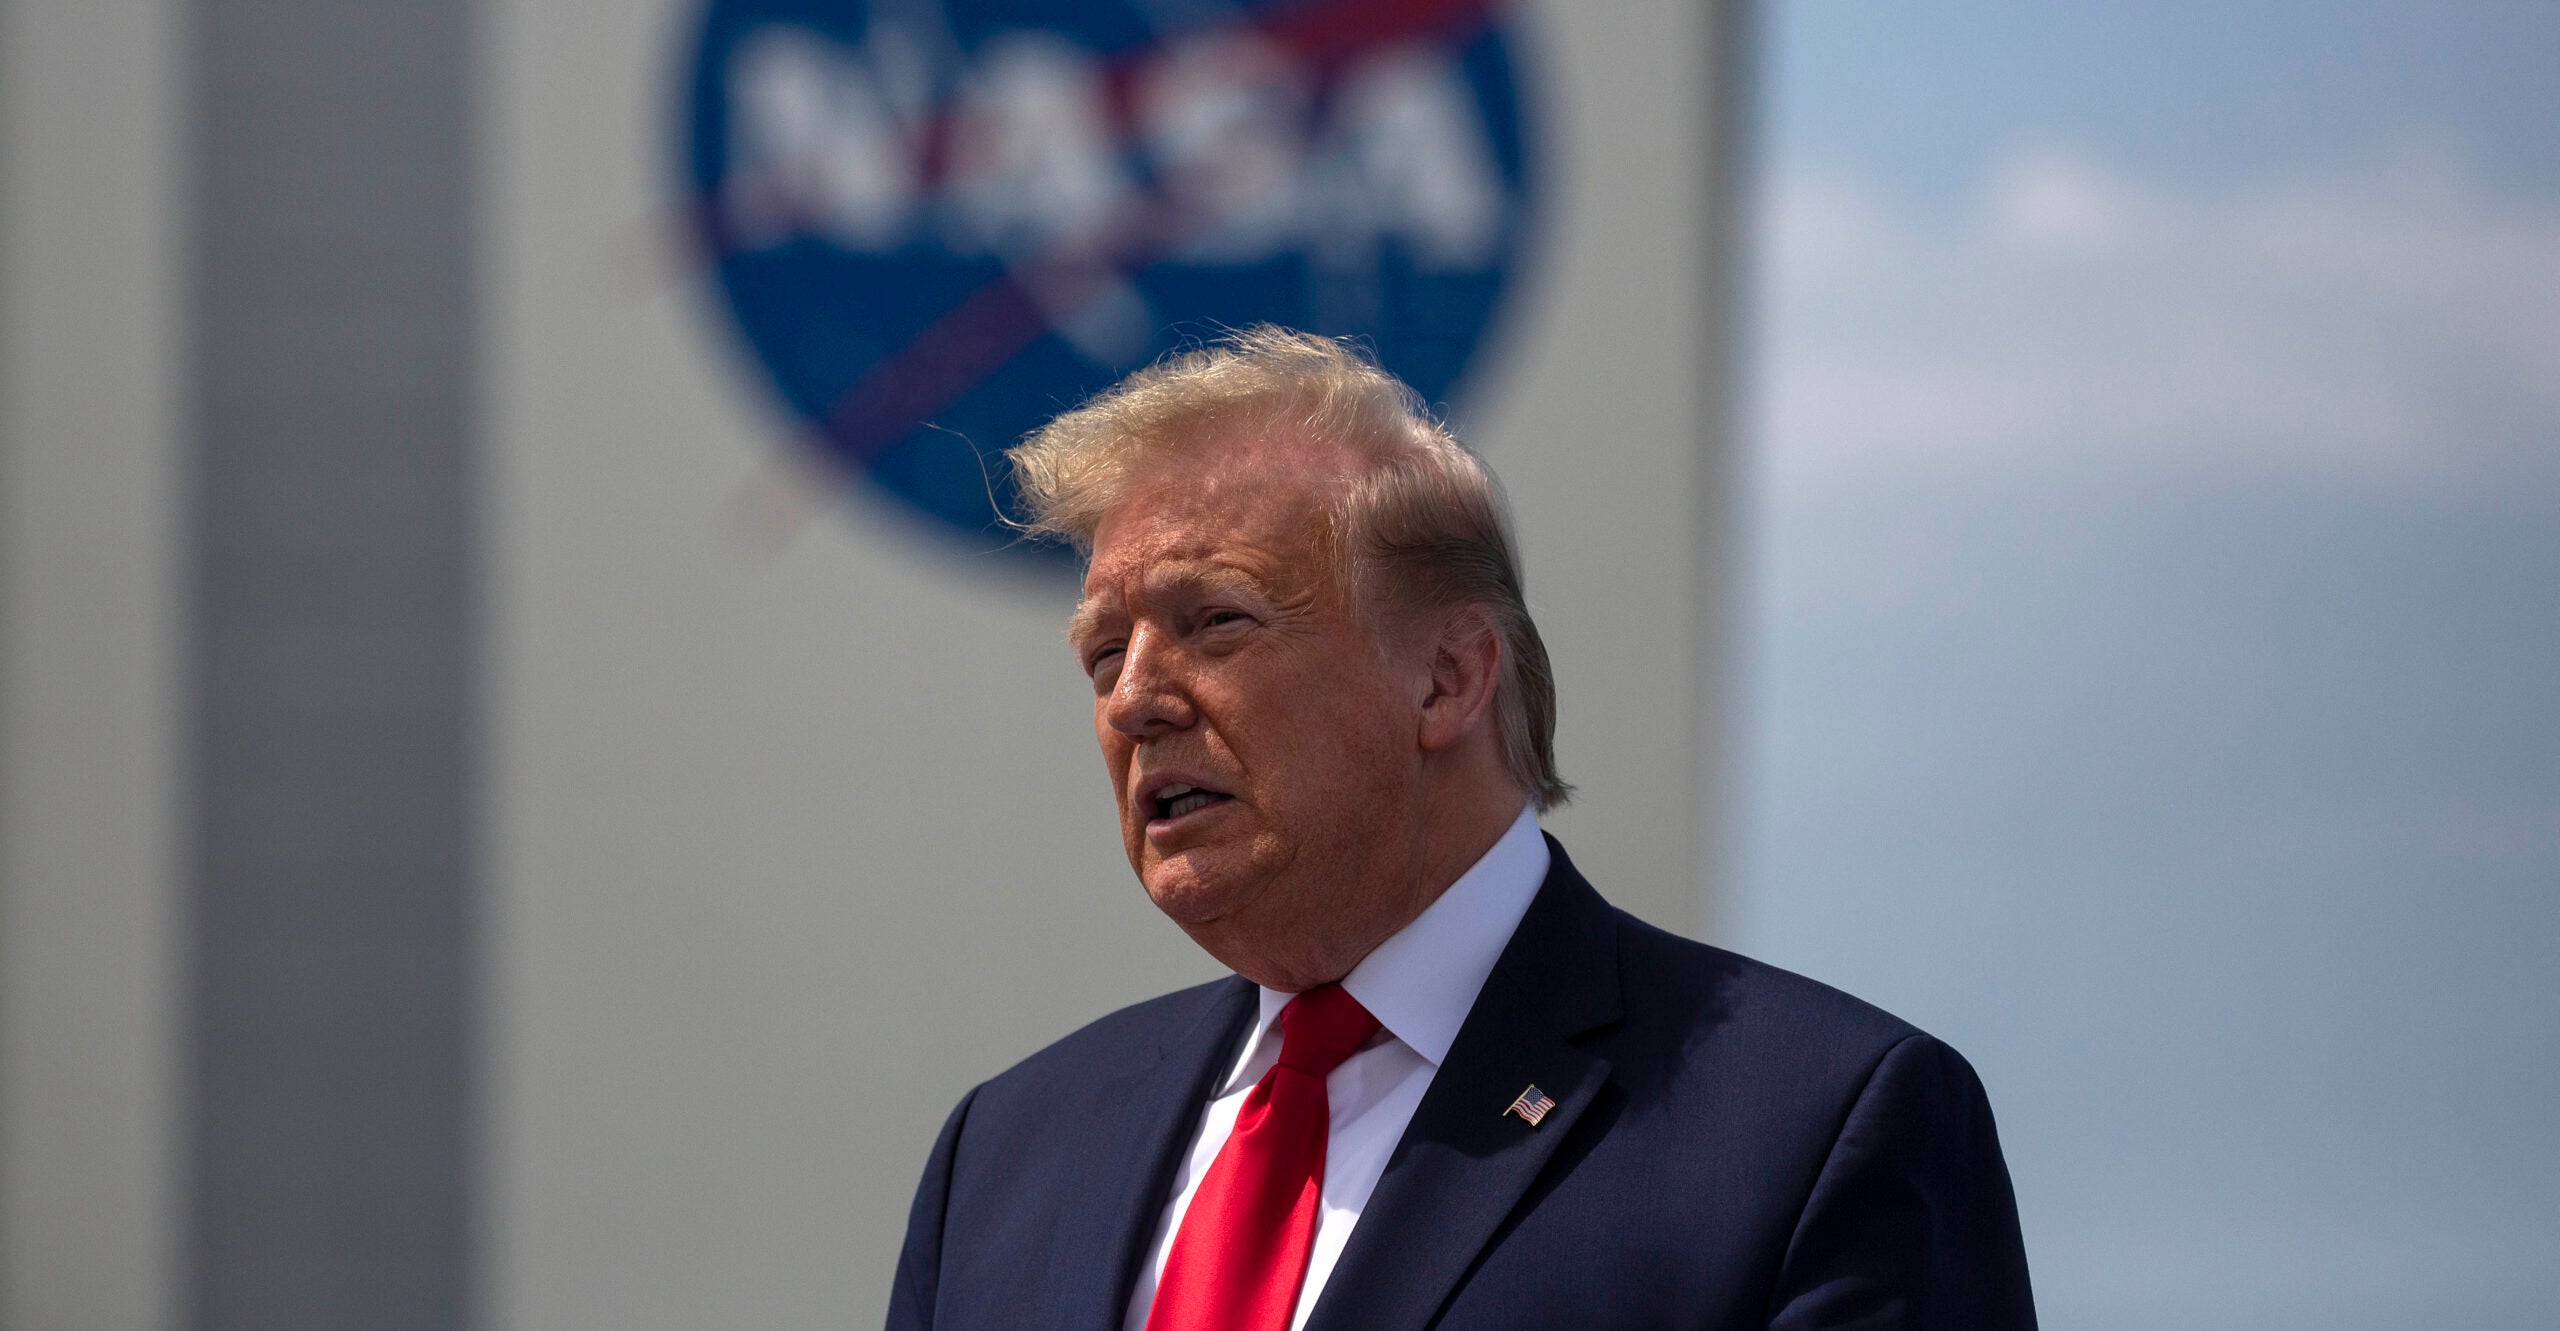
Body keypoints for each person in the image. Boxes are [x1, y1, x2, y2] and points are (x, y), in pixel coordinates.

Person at [886, 327, 2036, 1331]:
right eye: (1103, 653)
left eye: (1216, 621)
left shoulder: (1815, 1128)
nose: (1134, 698)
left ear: (1447, 677)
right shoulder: (1004, 1158)